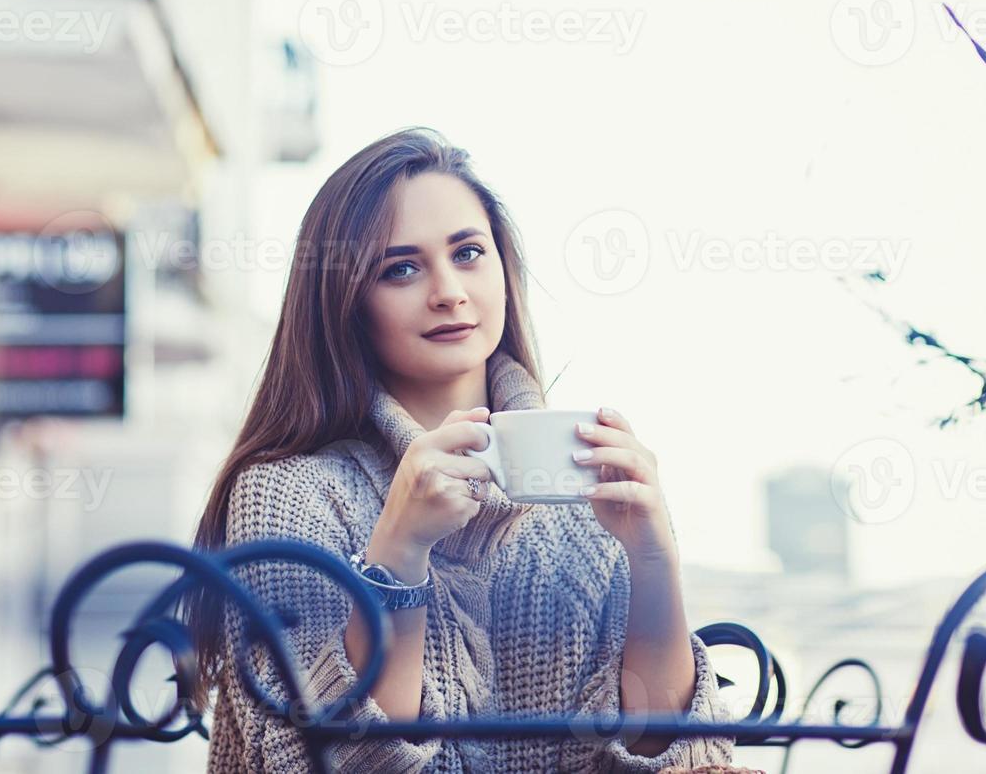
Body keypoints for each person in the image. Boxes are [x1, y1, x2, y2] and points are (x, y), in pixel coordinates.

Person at [184, 127, 735, 773]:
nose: (448, 290)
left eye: (469, 252)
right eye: (402, 268)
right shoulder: (289, 494)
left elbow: (673, 754)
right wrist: (399, 554)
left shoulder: (583, 491)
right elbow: (323, 764)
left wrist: (652, 556)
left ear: (505, 270)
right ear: (345, 303)